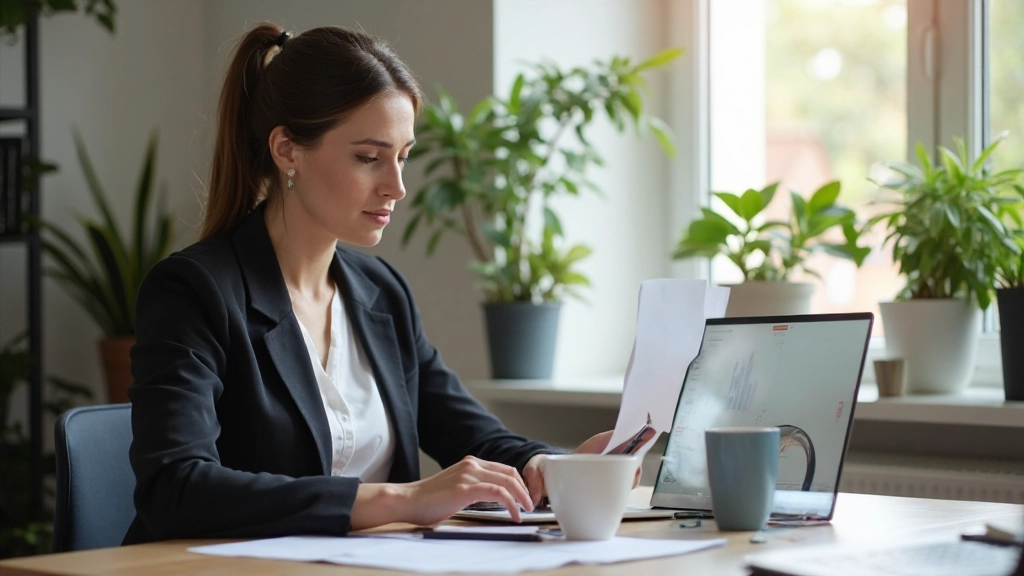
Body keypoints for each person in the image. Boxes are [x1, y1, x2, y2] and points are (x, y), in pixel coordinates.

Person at [123, 23, 645, 545]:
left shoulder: (379, 291)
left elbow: (468, 432)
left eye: (403, 156)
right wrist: (405, 499)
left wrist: (552, 465)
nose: (396, 187)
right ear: (287, 150)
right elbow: (176, 487)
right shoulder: (194, 291)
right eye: (368, 158)